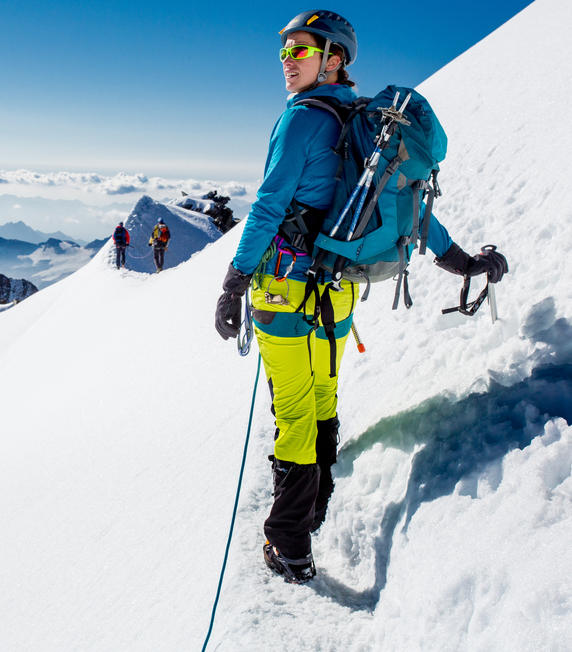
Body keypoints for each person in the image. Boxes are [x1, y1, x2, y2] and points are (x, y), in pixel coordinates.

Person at [213, 10, 507, 584]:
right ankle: (315, 507)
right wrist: (462, 261)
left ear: (334, 57)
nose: (287, 61)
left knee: (293, 411)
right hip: (338, 292)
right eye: (284, 51)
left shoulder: (300, 120)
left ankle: (290, 541)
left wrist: (234, 280)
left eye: (299, 50)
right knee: (321, 396)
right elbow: (411, 210)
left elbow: (271, 206)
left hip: (285, 290)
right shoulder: (368, 122)